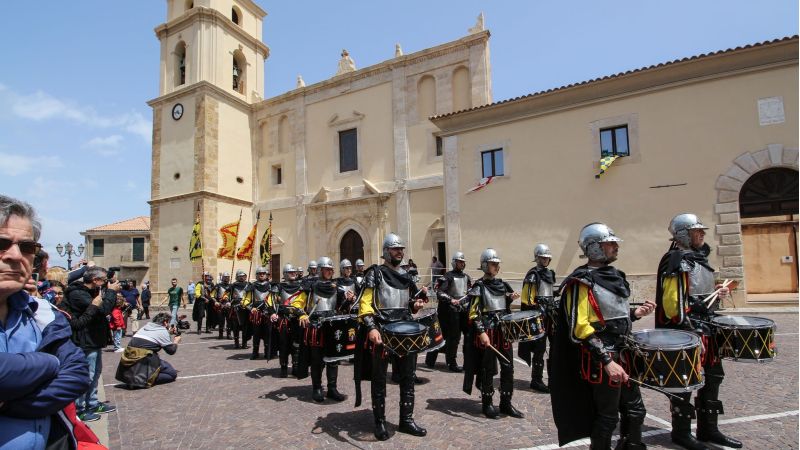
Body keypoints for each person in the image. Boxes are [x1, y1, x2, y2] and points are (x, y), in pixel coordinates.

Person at [550, 223, 654, 449]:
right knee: (608, 417)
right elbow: (579, 327)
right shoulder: (581, 281)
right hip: (604, 358)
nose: (616, 247)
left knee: (636, 410)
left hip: (625, 353)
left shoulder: (616, 276)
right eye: (610, 243)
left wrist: (635, 314)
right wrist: (607, 361)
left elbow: (611, 318)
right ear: (594, 248)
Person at [0, 194, 92, 448]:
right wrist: (50, 363)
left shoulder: (40, 313)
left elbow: (76, 374)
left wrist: (8, 402)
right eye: (2, 243)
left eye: (27, 247)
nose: (15, 255)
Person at [655, 213, 741, 450]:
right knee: (686, 382)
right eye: (697, 231)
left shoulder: (701, 259)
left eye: (702, 230)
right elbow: (673, 305)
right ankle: (681, 433)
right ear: (683, 234)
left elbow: (702, 296)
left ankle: (708, 429)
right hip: (687, 331)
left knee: (713, 378)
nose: (702, 233)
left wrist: (718, 294)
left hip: (707, 328)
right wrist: (695, 315)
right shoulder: (676, 259)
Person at [356, 232, 428, 441]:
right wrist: (371, 327)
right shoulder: (375, 273)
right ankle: (379, 421)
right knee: (379, 380)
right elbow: (365, 303)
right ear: (386, 252)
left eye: (401, 249)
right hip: (383, 331)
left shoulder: (406, 276)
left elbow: (410, 304)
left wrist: (415, 305)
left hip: (405, 332)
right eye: (395, 249)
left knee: (408, 378)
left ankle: (406, 420)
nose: (400, 252)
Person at [462, 248, 524, 419]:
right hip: (487, 331)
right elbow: (474, 313)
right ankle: (487, 404)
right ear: (484, 265)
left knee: (508, 367)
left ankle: (506, 403)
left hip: (502, 331)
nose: (496, 266)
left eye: (497, 264)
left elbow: (503, 305)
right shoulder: (478, 286)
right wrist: (481, 332)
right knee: (487, 369)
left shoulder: (502, 284)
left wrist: (510, 298)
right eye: (493, 263)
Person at [62, 265, 119, 422]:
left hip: (94, 339)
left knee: (95, 373)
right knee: (86, 374)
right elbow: (103, 310)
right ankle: (80, 409)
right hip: (85, 340)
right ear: (96, 280)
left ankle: (92, 404)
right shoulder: (78, 294)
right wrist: (112, 291)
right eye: (105, 280)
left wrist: (110, 293)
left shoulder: (92, 292)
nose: (107, 282)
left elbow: (105, 307)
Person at [293, 257, 347, 402]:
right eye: (326, 269)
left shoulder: (335, 287)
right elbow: (297, 304)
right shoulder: (310, 286)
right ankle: (317, 388)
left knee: (333, 359)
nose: (329, 272)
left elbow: (342, 306)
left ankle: (332, 389)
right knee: (317, 360)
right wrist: (303, 315)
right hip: (316, 326)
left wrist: (349, 298)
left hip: (332, 325)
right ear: (320, 270)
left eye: (331, 269)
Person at [518, 244, 557, 393]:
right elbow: (527, 299)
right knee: (540, 350)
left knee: (554, 347)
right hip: (539, 316)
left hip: (551, 316)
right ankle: (536, 380)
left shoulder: (550, 274)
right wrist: (539, 308)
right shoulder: (533, 275)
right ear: (537, 258)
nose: (545, 260)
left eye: (547, 258)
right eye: (543, 257)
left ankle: (553, 378)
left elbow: (550, 292)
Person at [427, 251, 472, 372]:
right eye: (459, 262)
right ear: (454, 263)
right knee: (450, 337)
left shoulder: (467, 277)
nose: (462, 264)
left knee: (468, 336)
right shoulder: (448, 276)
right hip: (449, 312)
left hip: (463, 310)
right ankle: (450, 362)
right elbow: (440, 292)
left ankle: (469, 362)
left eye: (463, 262)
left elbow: (469, 292)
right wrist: (451, 300)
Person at [115, 313, 181, 388]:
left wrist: (168, 332)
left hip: (129, 359)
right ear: (165, 322)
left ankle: (136, 377)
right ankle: (146, 379)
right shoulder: (162, 331)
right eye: (168, 323)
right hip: (144, 358)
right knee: (172, 374)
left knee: (164, 366)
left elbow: (154, 336)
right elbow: (171, 351)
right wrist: (176, 341)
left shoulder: (145, 327)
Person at [271, 264, 303, 377]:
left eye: (294, 272)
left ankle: (295, 367)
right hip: (284, 320)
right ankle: (283, 367)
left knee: (297, 345)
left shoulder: (301, 286)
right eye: (290, 272)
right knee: (283, 344)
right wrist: (273, 313)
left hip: (297, 319)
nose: (293, 273)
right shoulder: (279, 287)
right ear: (285, 274)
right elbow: (273, 302)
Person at [249, 266, 272, 360]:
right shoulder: (252, 286)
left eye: (263, 273)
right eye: (260, 274)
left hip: (267, 313)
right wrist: (251, 308)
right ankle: (255, 352)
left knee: (268, 333)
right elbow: (247, 300)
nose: (262, 275)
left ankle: (267, 352)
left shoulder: (271, 286)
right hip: (257, 313)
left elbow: (275, 299)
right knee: (256, 333)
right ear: (257, 275)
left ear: (266, 275)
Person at [229, 269, 252, 349]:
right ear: (237, 277)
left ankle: (244, 343)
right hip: (236, 307)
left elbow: (251, 295)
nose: (242, 277)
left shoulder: (249, 284)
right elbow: (228, 295)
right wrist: (230, 300)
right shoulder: (233, 285)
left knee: (246, 326)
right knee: (236, 326)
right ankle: (236, 342)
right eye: (240, 276)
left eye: (243, 276)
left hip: (246, 307)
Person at [210, 273, 232, 340]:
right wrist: (215, 301)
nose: (226, 278)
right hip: (220, 305)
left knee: (229, 321)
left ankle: (229, 334)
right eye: (225, 277)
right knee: (221, 321)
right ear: (222, 278)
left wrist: (231, 302)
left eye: (227, 277)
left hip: (228, 305)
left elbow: (234, 295)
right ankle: (220, 334)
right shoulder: (218, 286)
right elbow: (212, 295)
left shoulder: (231, 286)